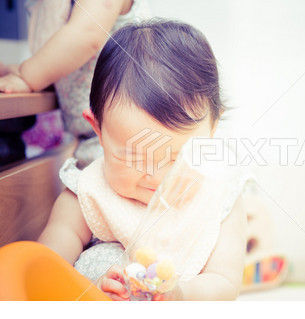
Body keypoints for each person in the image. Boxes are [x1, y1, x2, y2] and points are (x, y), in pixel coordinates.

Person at [38, 19, 249, 301]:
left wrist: (180, 295)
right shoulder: (86, 194)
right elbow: (46, 265)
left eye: (177, 159)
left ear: (212, 130)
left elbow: (225, 283)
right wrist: (87, 288)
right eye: (136, 157)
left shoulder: (219, 202)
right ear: (98, 129)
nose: (157, 176)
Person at [0, 0, 151, 168]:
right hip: (93, 140)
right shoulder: (44, 8)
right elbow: (53, 62)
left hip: (132, 138)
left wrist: (25, 76)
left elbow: (87, 34)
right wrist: (13, 70)